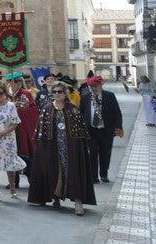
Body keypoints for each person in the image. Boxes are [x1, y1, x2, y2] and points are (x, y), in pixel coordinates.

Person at [27, 81, 96, 215]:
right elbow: (41, 130)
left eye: (60, 91)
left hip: (70, 148)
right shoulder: (47, 109)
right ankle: (55, 198)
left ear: (65, 93)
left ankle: (78, 201)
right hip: (52, 147)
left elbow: (80, 131)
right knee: (52, 170)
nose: (57, 94)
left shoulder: (73, 109)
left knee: (73, 172)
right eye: (54, 92)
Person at [80, 76, 123, 183]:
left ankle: (104, 174)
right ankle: (93, 177)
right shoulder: (85, 97)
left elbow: (117, 112)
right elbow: (81, 113)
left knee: (105, 153)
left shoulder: (109, 96)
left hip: (106, 130)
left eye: (95, 86)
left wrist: (118, 127)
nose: (94, 88)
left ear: (101, 84)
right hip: (91, 130)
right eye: (91, 86)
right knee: (92, 153)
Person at [8, 72, 37, 187]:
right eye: (16, 81)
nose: (19, 83)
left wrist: (20, 110)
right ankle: (14, 181)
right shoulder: (4, 95)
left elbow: (33, 110)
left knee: (26, 153)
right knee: (11, 154)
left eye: (20, 80)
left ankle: (31, 178)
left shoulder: (26, 94)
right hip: (9, 129)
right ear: (9, 82)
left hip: (23, 128)